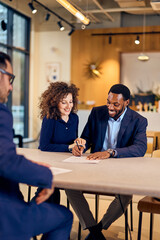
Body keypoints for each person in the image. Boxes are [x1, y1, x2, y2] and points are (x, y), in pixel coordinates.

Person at [0, 52, 73, 240]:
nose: (11, 87)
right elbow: (7, 161)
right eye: (10, 78)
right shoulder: (2, 113)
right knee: (64, 216)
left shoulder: (74, 118)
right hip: (5, 216)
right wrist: (45, 176)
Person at [66, 84, 148, 240]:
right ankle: (93, 229)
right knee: (69, 186)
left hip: (121, 169)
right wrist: (80, 146)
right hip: (94, 166)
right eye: (108, 102)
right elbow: (87, 138)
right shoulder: (97, 113)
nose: (110, 107)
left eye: (115, 104)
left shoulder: (139, 120)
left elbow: (140, 148)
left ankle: (99, 228)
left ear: (126, 102)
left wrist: (111, 152)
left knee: (125, 195)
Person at [38, 82, 85, 204]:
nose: (68, 106)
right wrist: (69, 147)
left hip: (68, 164)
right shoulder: (49, 118)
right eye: (64, 102)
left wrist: (77, 143)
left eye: (71, 101)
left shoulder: (74, 118)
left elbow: (72, 140)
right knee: (51, 192)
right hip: (51, 164)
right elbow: (44, 146)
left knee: (74, 190)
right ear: (54, 102)